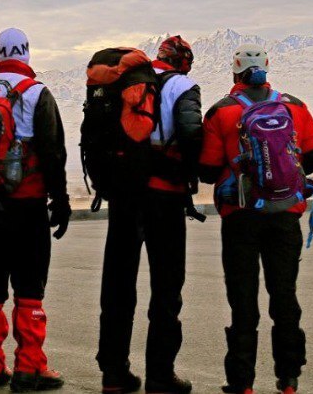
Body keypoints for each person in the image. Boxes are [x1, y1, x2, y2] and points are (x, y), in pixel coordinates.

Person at [199, 43, 313, 394]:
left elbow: (207, 170)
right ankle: (288, 378)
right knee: (284, 295)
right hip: (286, 214)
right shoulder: (294, 106)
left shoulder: (221, 112)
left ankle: (242, 381)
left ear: (234, 71)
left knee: (243, 299)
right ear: (267, 68)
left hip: (240, 216)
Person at [0, 28, 71, 392]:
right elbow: (53, 153)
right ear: (26, 53)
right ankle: (29, 367)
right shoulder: (37, 94)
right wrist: (61, 200)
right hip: (28, 205)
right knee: (29, 284)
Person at [96, 37, 202, 394]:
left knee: (118, 285)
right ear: (184, 62)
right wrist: (192, 171)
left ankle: (114, 374)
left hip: (125, 194)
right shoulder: (183, 85)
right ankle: (160, 374)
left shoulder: (125, 83)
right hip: (165, 197)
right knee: (166, 288)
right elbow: (190, 133)